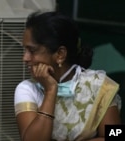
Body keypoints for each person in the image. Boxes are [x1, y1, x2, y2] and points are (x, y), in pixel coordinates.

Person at [14, 10, 122, 141]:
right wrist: (50, 91)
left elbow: (116, 135)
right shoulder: (27, 89)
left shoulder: (100, 86)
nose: (24, 58)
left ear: (60, 54)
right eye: (24, 50)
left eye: (32, 50)